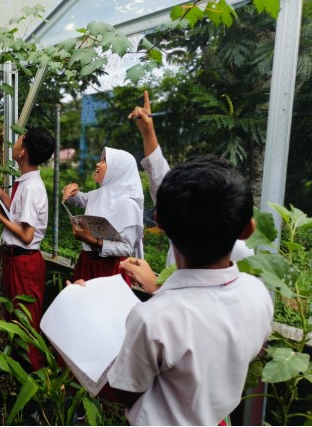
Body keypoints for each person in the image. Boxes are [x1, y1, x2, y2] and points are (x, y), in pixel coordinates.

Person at [103, 155, 274, 425]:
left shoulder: (152, 319)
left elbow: (125, 391)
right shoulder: (258, 294)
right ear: (247, 229)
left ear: (158, 221)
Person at [130, 90, 254, 267]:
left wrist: (153, 284)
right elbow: (162, 182)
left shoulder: (181, 228)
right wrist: (148, 132)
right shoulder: (246, 259)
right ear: (248, 229)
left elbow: (163, 184)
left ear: (160, 219)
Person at [0, 128, 56, 371]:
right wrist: (1, 196)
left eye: (18, 140)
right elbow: (18, 216)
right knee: (14, 316)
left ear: (23, 151)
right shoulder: (25, 182)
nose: (14, 144)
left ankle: (32, 375)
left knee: (25, 321)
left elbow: (27, 236)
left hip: (24, 262)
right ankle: (18, 371)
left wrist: (0, 216)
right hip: (16, 260)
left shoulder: (32, 187)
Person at [62, 148, 144, 282]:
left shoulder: (129, 204)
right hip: (87, 263)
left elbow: (126, 248)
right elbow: (75, 198)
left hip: (110, 269)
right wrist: (72, 186)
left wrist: (92, 240)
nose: (98, 164)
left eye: (104, 161)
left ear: (117, 169)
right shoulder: (98, 194)